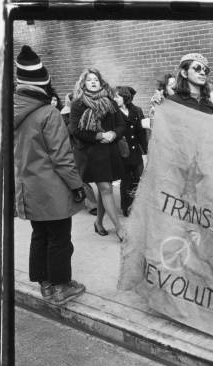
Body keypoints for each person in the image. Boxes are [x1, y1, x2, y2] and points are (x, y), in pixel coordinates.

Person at [13, 45, 87, 304]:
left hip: (28, 189)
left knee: (40, 235)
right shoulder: (48, 113)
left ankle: (45, 285)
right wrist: (78, 186)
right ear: (43, 84)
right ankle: (61, 287)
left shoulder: (9, 113)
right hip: (52, 190)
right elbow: (62, 158)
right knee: (59, 239)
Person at [69, 68, 126, 242]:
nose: (93, 82)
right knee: (106, 189)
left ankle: (99, 223)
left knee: (104, 190)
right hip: (91, 153)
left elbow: (121, 124)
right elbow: (76, 130)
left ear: (101, 83)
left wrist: (114, 134)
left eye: (96, 79)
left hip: (110, 151)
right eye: (89, 80)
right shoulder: (78, 104)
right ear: (83, 83)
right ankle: (120, 229)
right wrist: (99, 135)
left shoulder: (111, 102)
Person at [62, 92, 99, 216]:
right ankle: (88, 202)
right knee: (79, 177)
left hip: (78, 150)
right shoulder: (70, 115)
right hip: (75, 150)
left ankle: (92, 204)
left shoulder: (76, 114)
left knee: (81, 178)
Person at [114, 86, 148, 216]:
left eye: (117, 96)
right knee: (126, 180)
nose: (115, 99)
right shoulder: (114, 113)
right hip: (123, 153)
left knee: (139, 179)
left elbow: (141, 132)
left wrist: (146, 150)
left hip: (136, 152)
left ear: (125, 97)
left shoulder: (136, 110)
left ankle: (138, 205)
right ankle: (126, 206)